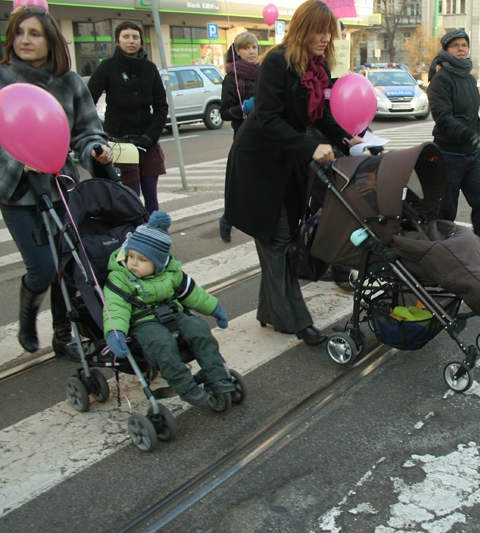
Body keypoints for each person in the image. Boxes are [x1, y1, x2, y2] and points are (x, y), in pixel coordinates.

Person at [225, 0, 361, 346]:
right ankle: (298, 322)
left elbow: (321, 115)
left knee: (278, 239)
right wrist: (309, 147)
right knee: (279, 240)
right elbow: (268, 118)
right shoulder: (277, 62)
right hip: (257, 163)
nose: (326, 37)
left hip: (286, 163)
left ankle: (271, 311)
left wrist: (351, 138)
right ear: (303, 29)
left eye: (330, 30)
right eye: (320, 29)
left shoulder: (316, 67)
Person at [0, 5, 113, 359]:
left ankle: (64, 334)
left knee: (67, 265)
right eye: (19, 33)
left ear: (50, 40)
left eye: (34, 33)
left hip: (59, 187)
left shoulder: (70, 82)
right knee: (43, 268)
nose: (25, 40)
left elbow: (87, 130)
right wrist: (20, 159)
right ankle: (28, 316)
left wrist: (96, 149)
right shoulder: (2, 78)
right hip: (15, 192)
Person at [102, 211, 235, 406]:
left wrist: (214, 308)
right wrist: (116, 334)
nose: (133, 263)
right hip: (143, 322)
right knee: (163, 345)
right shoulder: (120, 278)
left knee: (200, 330)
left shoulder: (170, 272)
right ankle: (184, 385)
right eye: (131, 256)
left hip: (173, 313)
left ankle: (215, 376)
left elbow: (193, 293)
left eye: (142, 259)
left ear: (157, 263)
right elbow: (115, 309)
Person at [426, 29, 480, 251]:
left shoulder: (469, 79)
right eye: (455, 45)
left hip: (471, 156)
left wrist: (475, 143)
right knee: (446, 212)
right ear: (446, 50)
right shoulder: (440, 80)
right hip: (448, 157)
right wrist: (476, 139)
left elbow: (472, 116)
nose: (461, 49)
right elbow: (445, 119)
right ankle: (441, 256)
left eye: (464, 45)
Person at [88, 21, 168, 215]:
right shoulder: (107, 67)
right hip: (120, 142)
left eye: (135, 37)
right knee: (130, 196)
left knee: (151, 193)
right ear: (118, 41)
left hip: (147, 142)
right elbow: (86, 101)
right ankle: (131, 236)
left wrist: (150, 135)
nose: (131, 41)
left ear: (141, 41)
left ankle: (153, 235)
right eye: (126, 37)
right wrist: (98, 133)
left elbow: (161, 106)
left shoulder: (150, 68)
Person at [218, 32, 259, 243]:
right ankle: (227, 220)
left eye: (254, 47)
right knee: (240, 186)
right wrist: (243, 108)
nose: (252, 51)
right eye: (246, 48)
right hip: (243, 139)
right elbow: (224, 112)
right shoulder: (231, 78)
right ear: (238, 51)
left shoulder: (263, 73)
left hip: (265, 136)